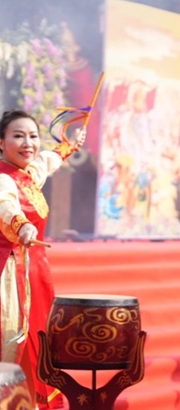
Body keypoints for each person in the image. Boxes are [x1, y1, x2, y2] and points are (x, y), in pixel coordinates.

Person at [0, 110, 85, 408]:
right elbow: (6, 207)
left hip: (34, 273)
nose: (28, 143)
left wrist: (70, 146)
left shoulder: (25, 174)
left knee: (35, 346)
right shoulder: (3, 179)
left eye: (33, 136)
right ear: (1, 142)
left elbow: (45, 162)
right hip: (10, 274)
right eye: (18, 136)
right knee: (10, 344)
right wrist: (21, 225)